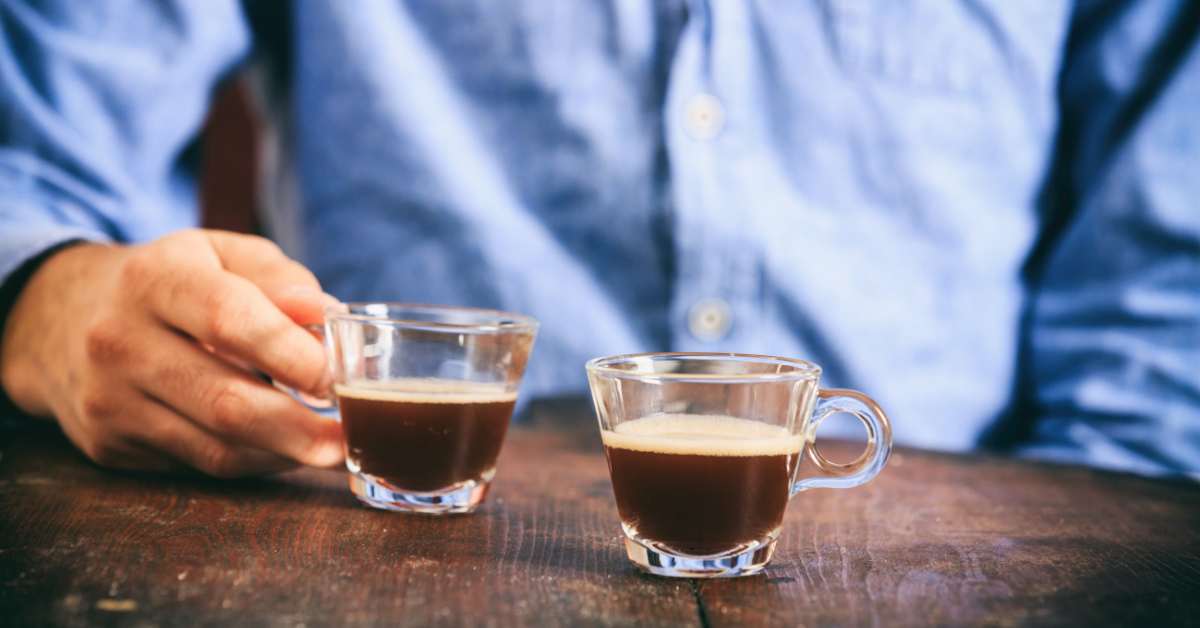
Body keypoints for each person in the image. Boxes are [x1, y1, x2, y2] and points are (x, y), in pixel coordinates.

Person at [1, 1, 1197, 479]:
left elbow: (1167, 283)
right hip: (397, 555)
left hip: (964, 543)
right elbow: (35, 152)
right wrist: (49, 295)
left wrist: (1053, 565)